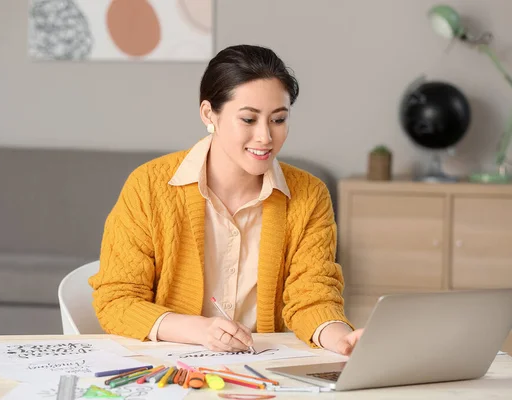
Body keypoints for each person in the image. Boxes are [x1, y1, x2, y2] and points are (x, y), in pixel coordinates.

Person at [88, 44, 364, 356]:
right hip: (171, 368)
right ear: (209, 114)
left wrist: (341, 338)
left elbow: (313, 297)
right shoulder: (149, 186)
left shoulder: (309, 195)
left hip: (263, 370)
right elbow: (116, 299)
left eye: (278, 119)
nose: (265, 136)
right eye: (248, 119)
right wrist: (198, 329)